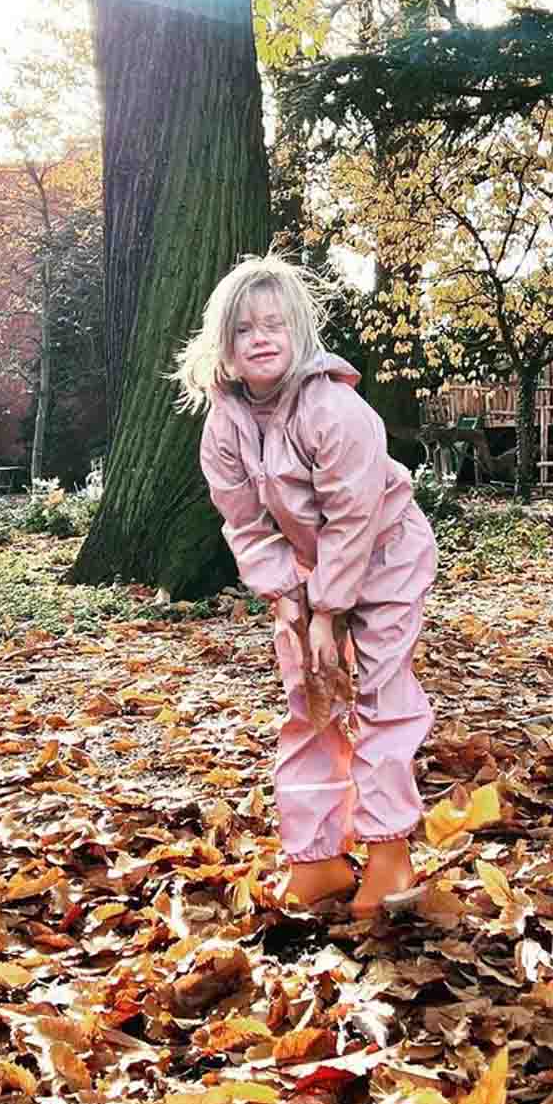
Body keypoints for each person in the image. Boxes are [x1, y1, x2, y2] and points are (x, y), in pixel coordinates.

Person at [175, 254, 437, 919]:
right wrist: (290, 601)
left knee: (377, 696)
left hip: (382, 555)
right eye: (243, 330)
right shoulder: (225, 424)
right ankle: (316, 859)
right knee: (310, 700)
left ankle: (388, 854)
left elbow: (354, 517)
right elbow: (246, 525)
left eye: (274, 326)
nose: (260, 339)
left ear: (299, 335)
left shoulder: (336, 410)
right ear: (224, 346)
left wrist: (329, 610)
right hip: (303, 569)